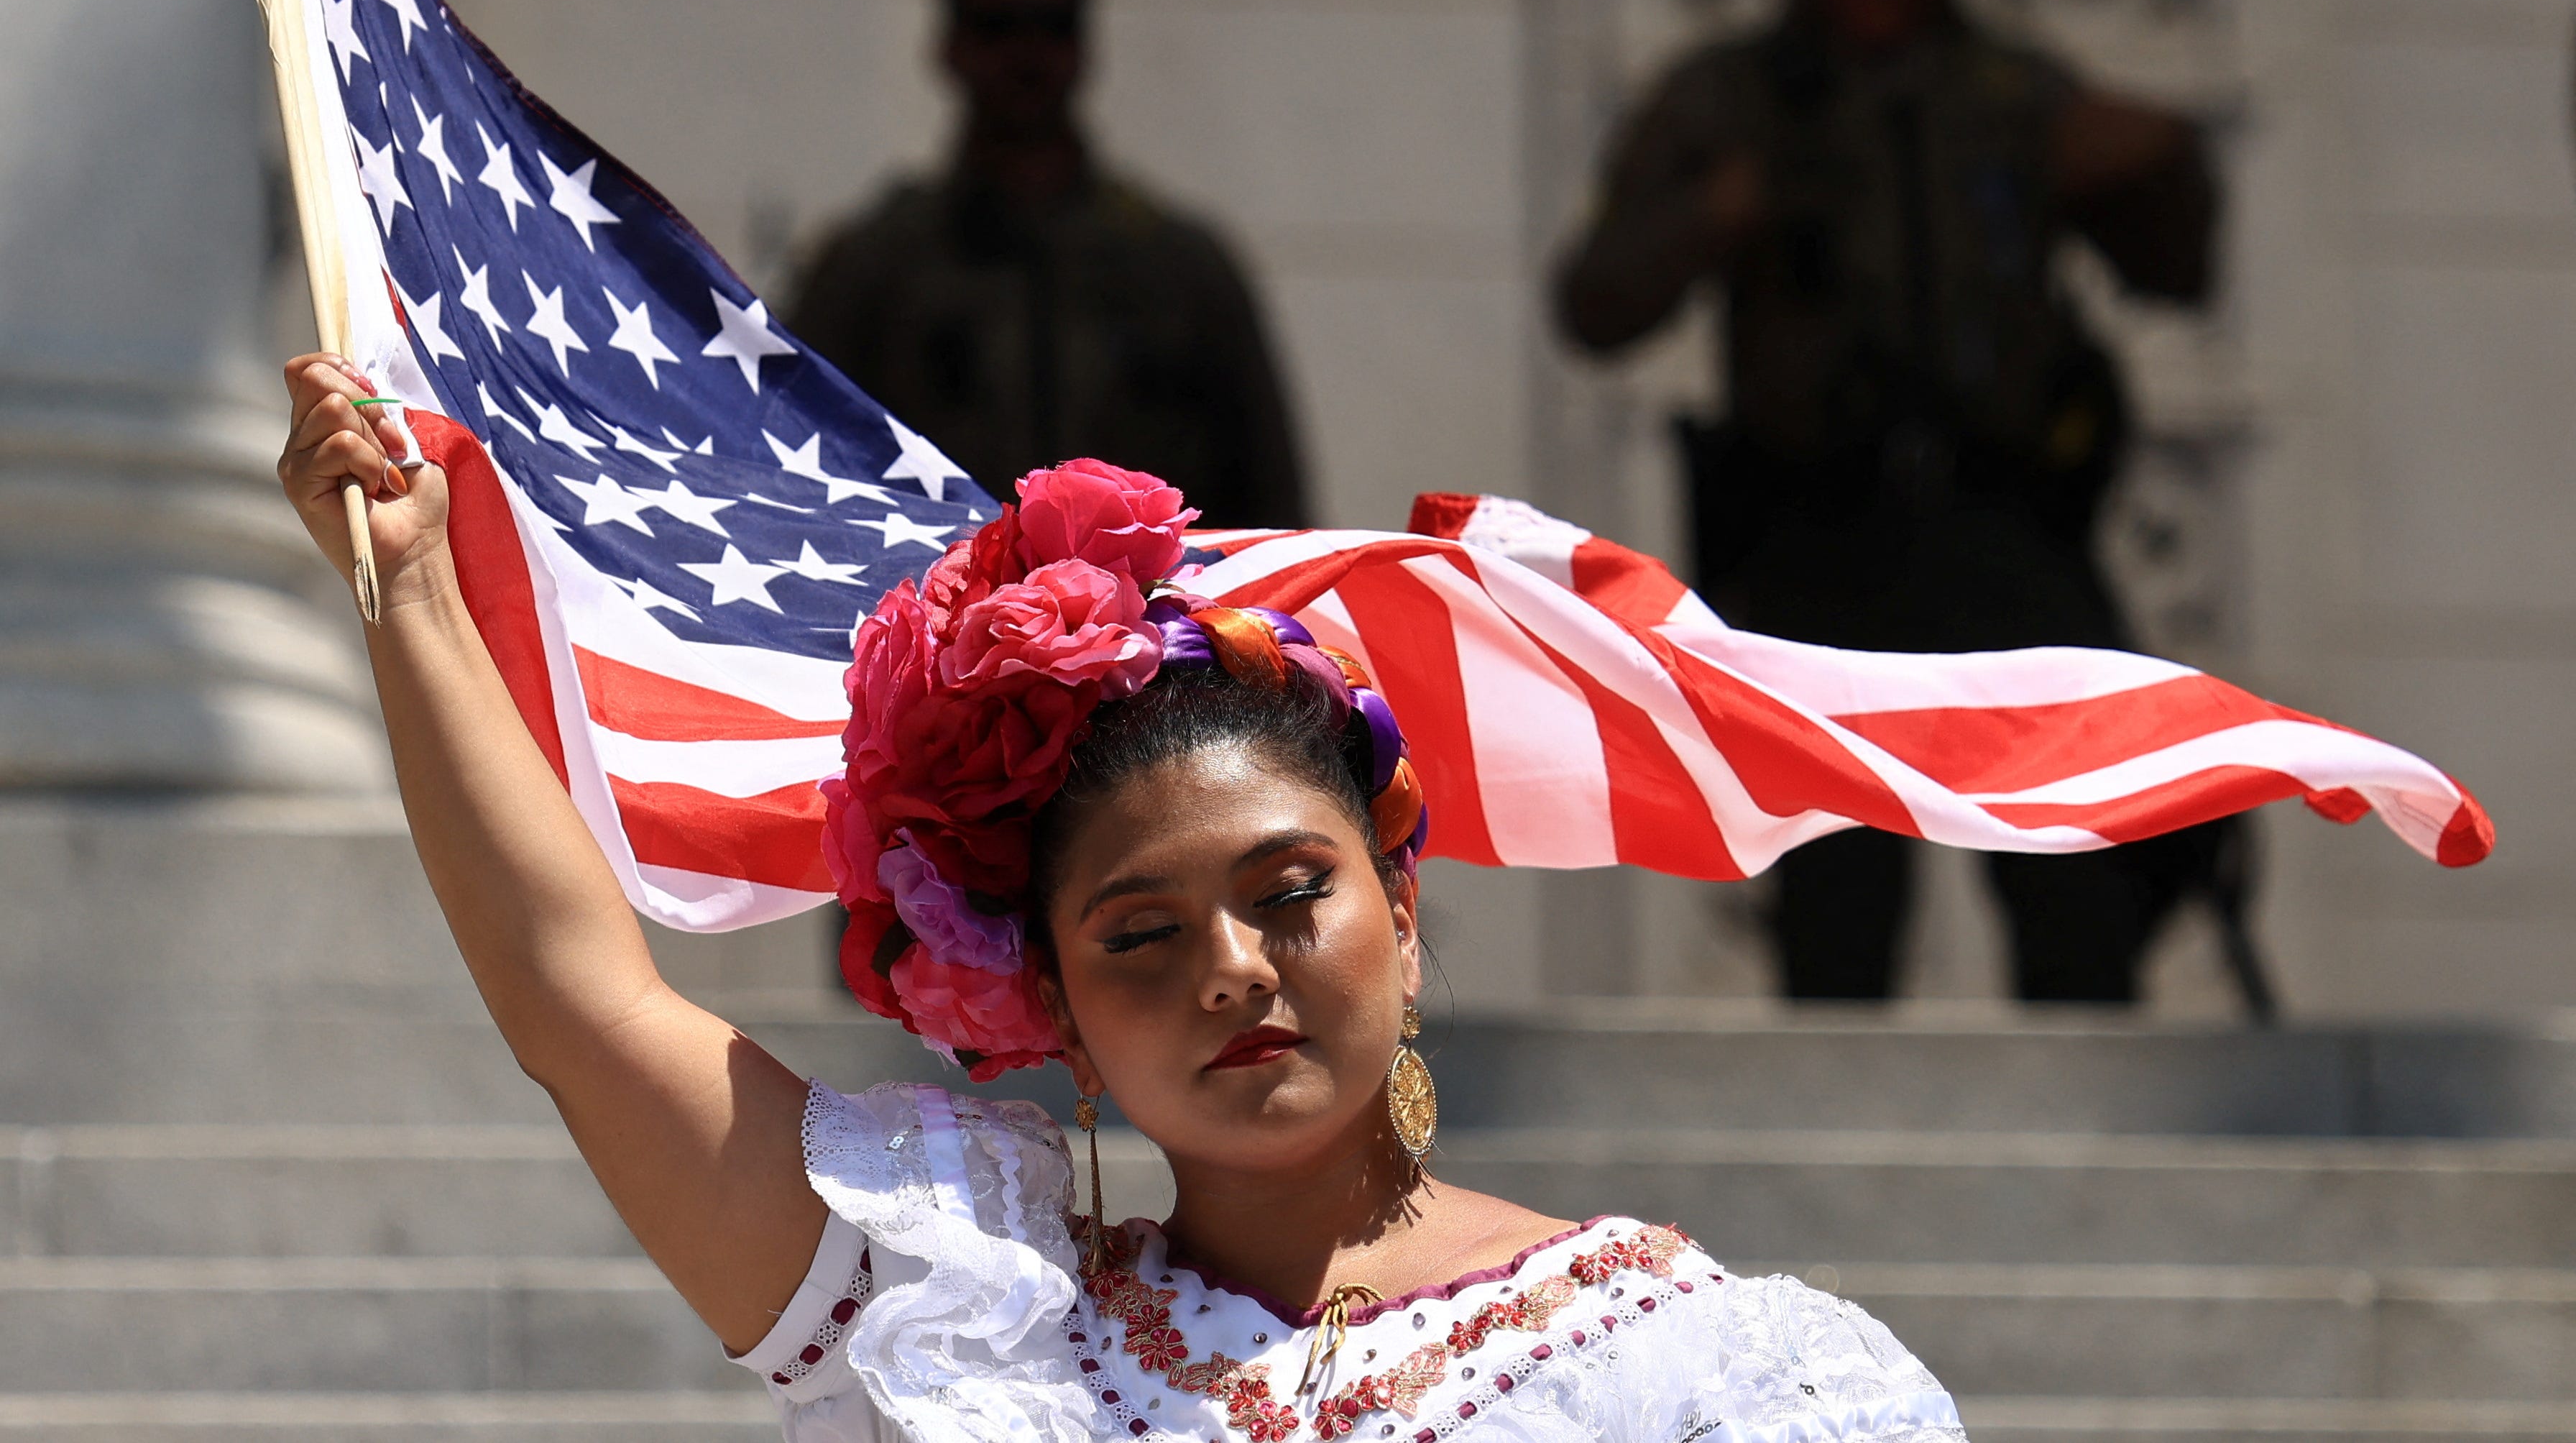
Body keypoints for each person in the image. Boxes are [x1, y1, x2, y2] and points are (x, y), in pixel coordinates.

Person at [277, 352, 1966, 1442]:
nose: (1233, 967)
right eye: (1140, 934)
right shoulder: (973, 1318)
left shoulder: (1705, 1366)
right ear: (1057, 1018)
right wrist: (411, 588)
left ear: (1406, 913)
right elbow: (589, 1014)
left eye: (1291, 891)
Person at [1553, 0, 2231, 1005]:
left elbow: (2174, 271)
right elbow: (1594, 301)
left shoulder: (2009, 91)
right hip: (1823, 538)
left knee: (2079, 881)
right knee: (1836, 914)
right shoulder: (1741, 92)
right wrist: (1723, 206)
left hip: (2001, 526)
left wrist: (2160, 169)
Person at [789, 0, 1309, 533]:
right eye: (998, 25)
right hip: (932, 611)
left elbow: (1272, 498)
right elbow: (797, 464)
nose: (1026, 54)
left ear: (1085, 47)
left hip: (1156, 618)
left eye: (1053, 26)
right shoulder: (873, 267)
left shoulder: (1180, 267)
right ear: (950, 45)